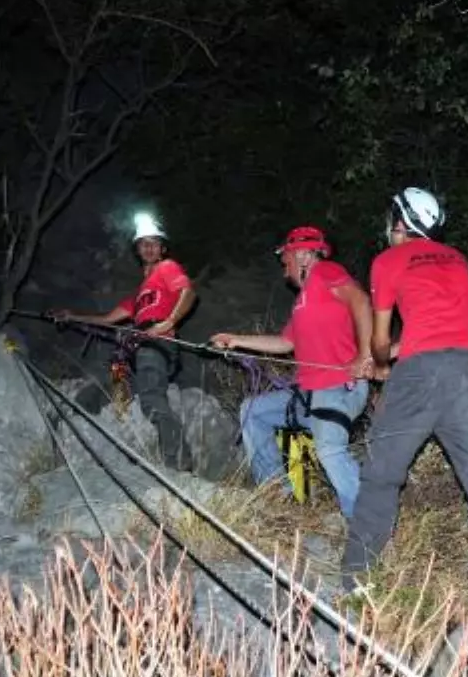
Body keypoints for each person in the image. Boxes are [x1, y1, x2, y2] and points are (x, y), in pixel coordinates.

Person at [341, 186, 468, 622]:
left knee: (382, 476)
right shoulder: (458, 259)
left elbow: (381, 340)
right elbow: (443, 326)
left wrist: (378, 362)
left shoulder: (387, 260)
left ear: (400, 220)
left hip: (418, 377)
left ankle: (356, 584)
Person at [210, 226, 373, 517]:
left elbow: (360, 300)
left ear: (303, 254)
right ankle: (279, 495)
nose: (284, 268)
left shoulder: (326, 272)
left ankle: (367, 528)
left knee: (330, 451)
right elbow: (286, 343)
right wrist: (236, 340)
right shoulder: (302, 302)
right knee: (253, 411)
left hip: (337, 387)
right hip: (307, 395)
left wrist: (364, 355)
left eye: (285, 258)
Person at [50, 212, 195, 470]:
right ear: (137, 250)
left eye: (154, 242)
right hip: (136, 351)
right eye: (143, 243)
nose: (149, 247)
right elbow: (107, 319)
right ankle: (76, 436)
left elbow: (188, 292)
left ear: (162, 248)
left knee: (152, 399)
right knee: (109, 385)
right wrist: (71, 316)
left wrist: (169, 322)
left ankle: (179, 465)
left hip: (157, 345)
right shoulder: (140, 295)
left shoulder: (167, 268)